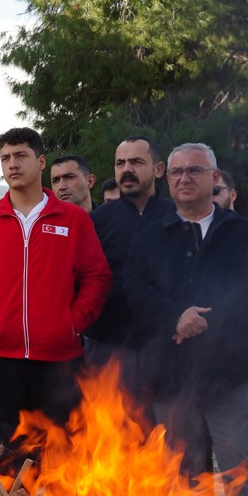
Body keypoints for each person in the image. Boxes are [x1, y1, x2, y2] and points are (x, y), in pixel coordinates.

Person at [127, 143, 248, 496]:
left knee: (242, 463)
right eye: (176, 172)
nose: (184, 179)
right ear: (167, 178)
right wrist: (174, 315)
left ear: (214, 177)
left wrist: (201, 320)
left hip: (231, 371)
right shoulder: (151, 236)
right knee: (184, 467)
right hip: (173, 376)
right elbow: (134, 288)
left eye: (194, 170)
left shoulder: (245, 233)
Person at [0, 128, 109, 466]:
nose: (12, 164)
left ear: (40, 161)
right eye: (5, 158)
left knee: (61, 461)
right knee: (1, 460)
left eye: (20, 155)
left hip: (59, 360)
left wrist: (71, 323)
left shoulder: (74, 219)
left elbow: (96, 278)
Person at [87, 136, 175, 374]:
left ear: (159, 169)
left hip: (167, 348)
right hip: (107, 348)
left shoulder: (177, 218)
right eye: (120, 163)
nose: (127, 169)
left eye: (136, 162)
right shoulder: (96, 222)